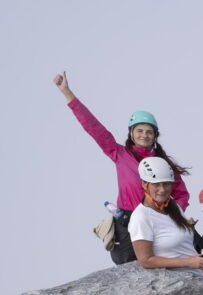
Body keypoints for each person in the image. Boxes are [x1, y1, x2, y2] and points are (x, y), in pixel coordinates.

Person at [53, 71, 190, 265]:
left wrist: (174, 216)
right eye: (140, 131)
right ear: (132, 133)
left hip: (158, 221)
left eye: (149, 132)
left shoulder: (163, 163)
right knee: (129, 268)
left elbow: (182, 194)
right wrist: (67, 93)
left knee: (168, 266)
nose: (144, 135)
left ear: (155, 135)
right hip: (127, 222)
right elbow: (94, 128)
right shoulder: (119, 154)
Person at [129, 158, 203, 272]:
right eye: (156, 184)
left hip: (196, 277)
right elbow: (145, 260)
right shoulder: (141, 217)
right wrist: (188, 262)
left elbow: (187, 249)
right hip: (177, 282)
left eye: (166, 184)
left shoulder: (173, 205)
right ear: (144, 184)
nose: (162, 190)